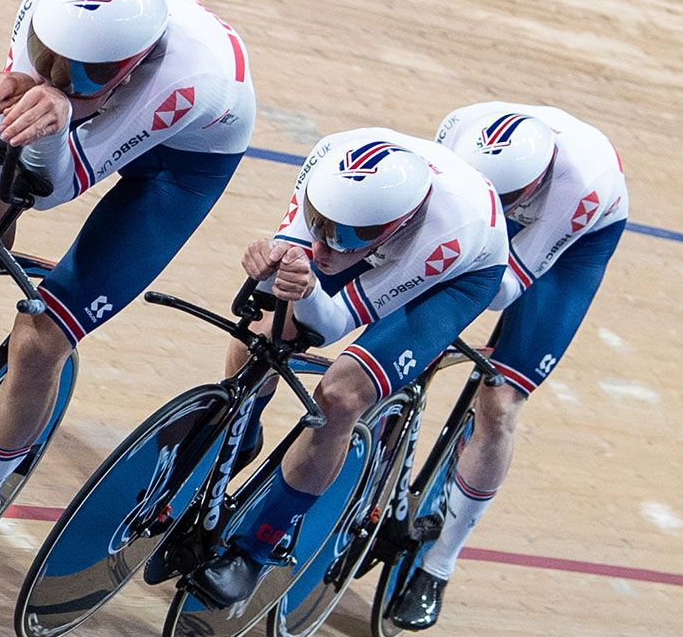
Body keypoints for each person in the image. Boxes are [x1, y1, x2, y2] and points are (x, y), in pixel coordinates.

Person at [0, 0, 258, 614]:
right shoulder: (48, 0)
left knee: (40, 339)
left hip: (181, 162)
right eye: (48, 59)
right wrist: (6, 101)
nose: (56, 74)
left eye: (78, 73)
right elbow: (2, 146)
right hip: (116, 101)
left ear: (127, 67)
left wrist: (50, 112)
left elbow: (55, 188)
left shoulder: (185, 84)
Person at [195, 127, 510, 608]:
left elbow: (333, 323)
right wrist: (274, 256)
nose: (324, 248)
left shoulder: (447, 233)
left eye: (344, 237)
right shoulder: (329, 161)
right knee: (262, 328)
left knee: (340, 396)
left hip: (455, 276)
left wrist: (311, 284)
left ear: (396, 225)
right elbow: (305, 254)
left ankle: (257, 548)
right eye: (320, 225)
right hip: (378, 232)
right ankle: (243, 430)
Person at [387, 102, 628, 629]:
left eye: (510, 195)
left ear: (535, 182)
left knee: (498, 400)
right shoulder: (457, 129)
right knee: (402, 334)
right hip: (481, 209)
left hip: (569, 247)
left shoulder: (577, 187)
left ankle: (438, 565)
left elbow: (502, 288)